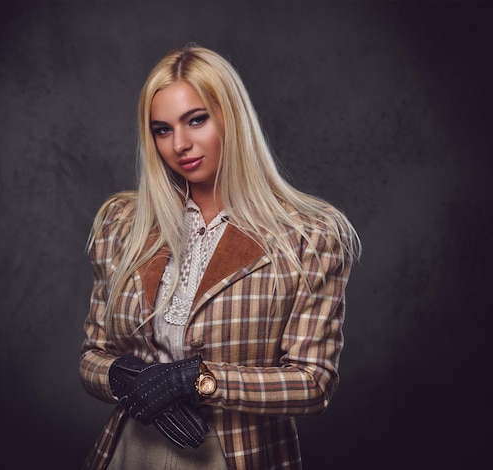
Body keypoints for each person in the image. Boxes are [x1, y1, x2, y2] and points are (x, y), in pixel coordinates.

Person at [79, 44, 361, 470]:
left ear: (231, 116)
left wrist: (197, 381)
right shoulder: (121, 224)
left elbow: (313, 383)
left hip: (234, 457)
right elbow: (91, 355)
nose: (180, 144)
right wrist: (121, 376)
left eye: (196, 120)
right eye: (162, 129)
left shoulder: (310, 235)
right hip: (132, 452)